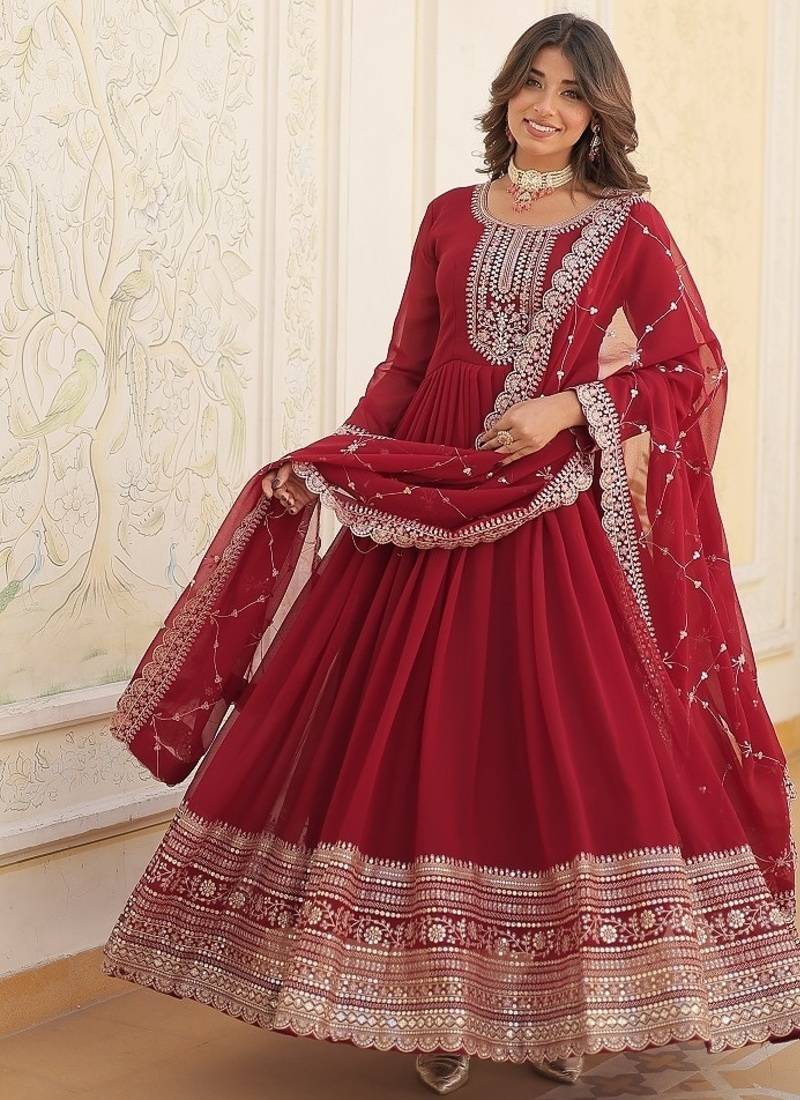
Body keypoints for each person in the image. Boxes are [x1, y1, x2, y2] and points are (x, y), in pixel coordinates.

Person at [101, 12, 800, 1094]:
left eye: (571, 92)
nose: (546, 106)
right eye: (533, 83)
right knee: (405, 737)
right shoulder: (446, 216)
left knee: (551, 739)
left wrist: (567, 407)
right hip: (423, 495)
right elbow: (406, 366)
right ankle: (433, 998)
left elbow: (687, 367)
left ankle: (563, 999)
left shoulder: (628, 227)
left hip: (543, 505)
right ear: (505, 93)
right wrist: (337, 461)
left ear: (598, 115)